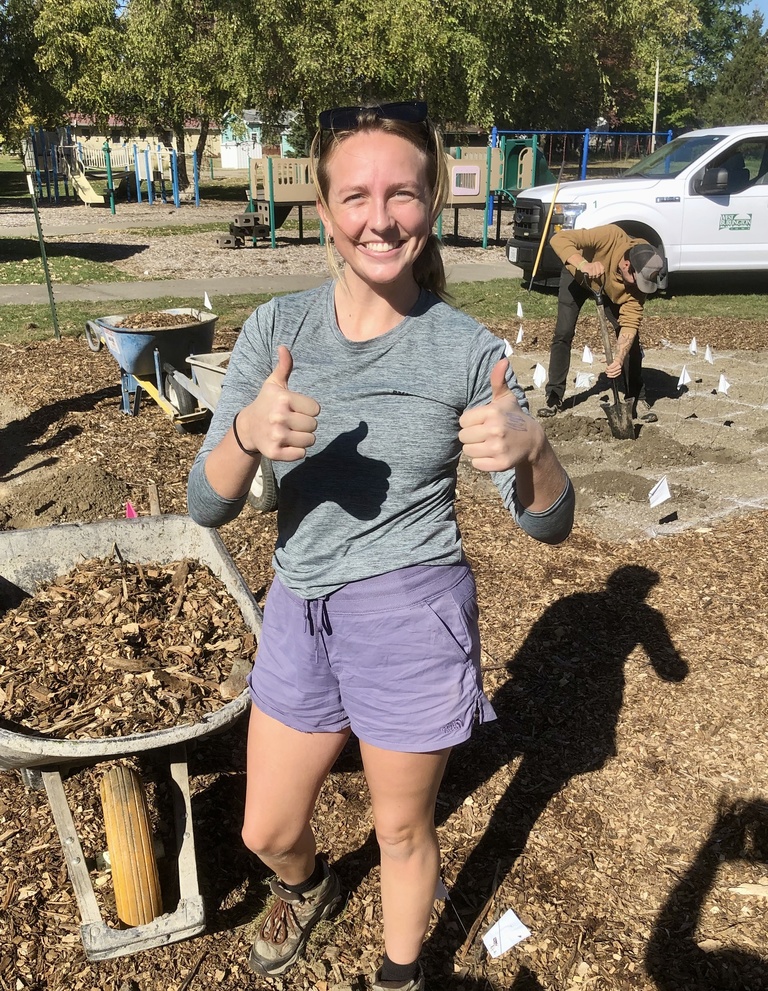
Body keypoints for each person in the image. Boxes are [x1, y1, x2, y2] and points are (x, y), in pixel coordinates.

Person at [187, 100, 575, 991]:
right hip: (299, 604)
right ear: (324, 211)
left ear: (431, 201)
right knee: (265, 831)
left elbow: (548, 525)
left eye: (402, 193)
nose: (380, 217)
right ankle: (311, 884)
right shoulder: (275, 332)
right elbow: (204, 506)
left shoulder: (467, 351)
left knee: (402, 832)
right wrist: (244, 433)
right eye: (356, 195)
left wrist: (536, 449)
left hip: (410, 607)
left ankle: (404, 976)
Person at [537, 224, 666, 423]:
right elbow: (558, 239)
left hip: (609, 289)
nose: (637, 286)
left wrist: (618, 358)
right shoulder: (609, 236)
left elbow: (630, 324)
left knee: (630, 343)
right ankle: (554, 395)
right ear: (626, 265)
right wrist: (583, 264)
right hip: (578, 276)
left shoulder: (644, 269)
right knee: (564, 332)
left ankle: (635, 396)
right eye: (636, 280)